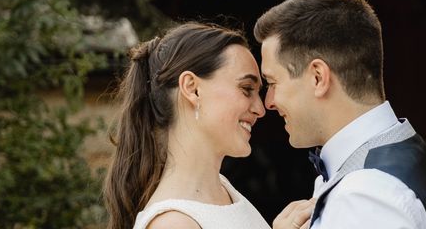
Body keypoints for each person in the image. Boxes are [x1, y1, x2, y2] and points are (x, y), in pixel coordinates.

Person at [254, 0, 426, 229]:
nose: (269, 102)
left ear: (318, 78)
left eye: (273, 83)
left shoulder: (366, 195)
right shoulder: (393, 152)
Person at [104, 21, 314, 229]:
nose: (261, 108)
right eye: (246, 88)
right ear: (193, 89)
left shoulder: (224, 191)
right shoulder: (173, 223)